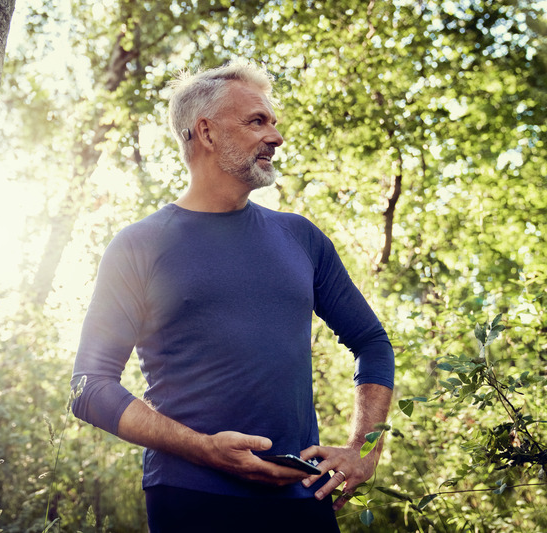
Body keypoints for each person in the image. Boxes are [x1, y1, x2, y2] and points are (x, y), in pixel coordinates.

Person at [69, 61, 394, 532]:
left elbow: (372, 341)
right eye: (257, 121)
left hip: (302, 499)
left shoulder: (300, 237)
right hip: (191, 499)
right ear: (206, 131)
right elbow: (89, 388)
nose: (276, 137)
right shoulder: (139, 245)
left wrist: (364, 451)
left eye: (274, 123)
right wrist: (206, 451)